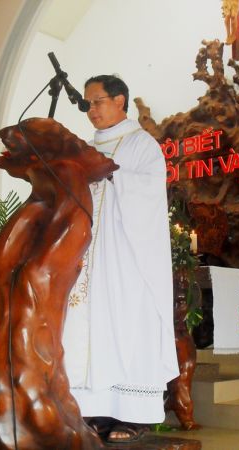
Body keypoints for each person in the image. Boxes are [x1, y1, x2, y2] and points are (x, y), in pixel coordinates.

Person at [62, 75, 179, 443]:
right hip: (87, 258)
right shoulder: (83, 147)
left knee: (129, 326)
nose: (91, 109)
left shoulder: (141, 144)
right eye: (87, 103)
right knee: (88, 329)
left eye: (97, 101)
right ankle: (93, 410)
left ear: (120, 101)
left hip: (128, 257)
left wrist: (112, 174)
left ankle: (133, 415)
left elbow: (150, 192)